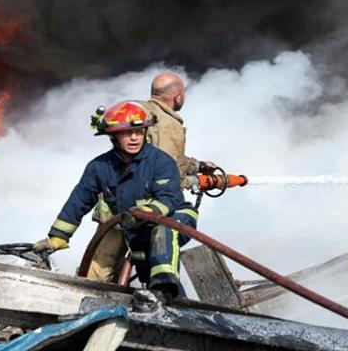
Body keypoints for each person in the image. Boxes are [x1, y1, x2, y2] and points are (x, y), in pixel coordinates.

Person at [34, 101, 198, 300]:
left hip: (173, 218)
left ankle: (166, 293)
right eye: (127, 133)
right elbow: (79, 201)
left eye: (139, 131)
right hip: (129, 224)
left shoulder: (161, 162)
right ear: (113, 136)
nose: (134, 137)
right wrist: (58, 236)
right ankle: (90, 304)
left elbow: (168, 198)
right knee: (120, 270)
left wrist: (146, 212)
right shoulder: (99, 167)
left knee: (162, 238)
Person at [144, 72, 216, 187]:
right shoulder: (168, 124)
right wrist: (192, 182)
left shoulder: (143, 112)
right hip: (153, 196)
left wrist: (198, 166)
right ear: (177, 97)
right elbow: (170, 168)